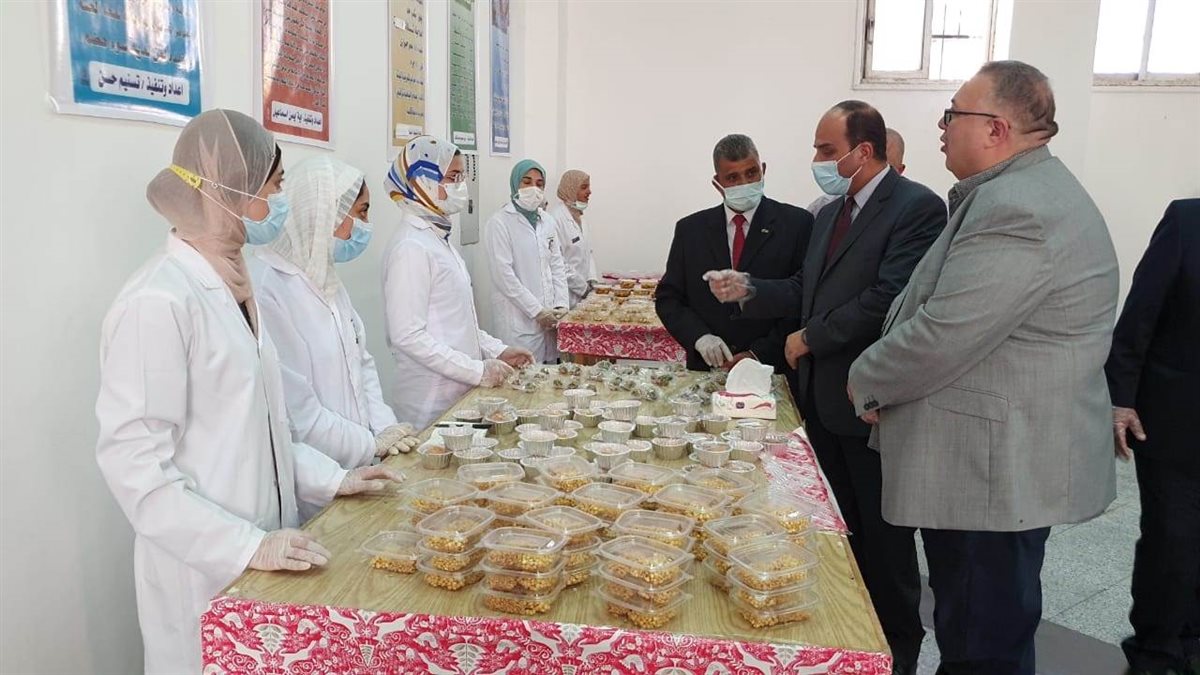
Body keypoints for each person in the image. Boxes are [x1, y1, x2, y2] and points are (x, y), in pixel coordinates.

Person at [94, 110, 404, 674]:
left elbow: (265, 431)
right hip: (201, 573)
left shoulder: (234, 283)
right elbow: (136, 470)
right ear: (231, 191)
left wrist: (334, 477)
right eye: (275, 186)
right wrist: (245, 545)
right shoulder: (158, 301)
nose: (281, 202)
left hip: (263, 555)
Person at [845, 61, 1119, 675]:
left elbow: (945, 332)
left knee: (981, 642)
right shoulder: (1016, 192)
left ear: (996, 129)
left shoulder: (1018, 208)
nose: (942, 127)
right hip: (992, 462)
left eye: (953, 115)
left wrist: (865, 379)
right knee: (978, 630)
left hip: (990, 474)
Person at [707, 101, 945, 675]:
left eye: (825, 149)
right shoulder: (832, 212)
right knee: (839, 541)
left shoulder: (916, 208)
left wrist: (810, 337)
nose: (816, 159)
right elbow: (806, 287)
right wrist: (750, 288)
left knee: (885, 548)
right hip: (821, 404)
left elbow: (887, 298)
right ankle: (847, 644)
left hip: (869, 404)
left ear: (862, 151)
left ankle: (897, 652)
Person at [252, 156, 420, 519]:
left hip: (362, 465)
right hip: (318, 480)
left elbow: (362, 362)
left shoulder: (324, 275)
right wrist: (369, 443)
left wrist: (385, 427)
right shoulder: (269, 289)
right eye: (361, 212)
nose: (365, 226)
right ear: (328, 213)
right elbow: (298, 413)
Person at [1106, 198, 1200, 675]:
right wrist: (1120, 399)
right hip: (1176, 421)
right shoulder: (1187, 221)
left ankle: (1192, 639)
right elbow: (1140, 314)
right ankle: (1155, 650)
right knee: (1172, 539)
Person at [383, 136, 533, 429]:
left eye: (462, 176)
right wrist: (477, 370)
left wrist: (497, 350)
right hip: (430, 400)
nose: (460, 185)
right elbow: (408, 335)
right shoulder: (411, 247)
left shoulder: (438, 238)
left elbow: (458, 321)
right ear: (422, 182)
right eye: (452, 177)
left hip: (459, 391)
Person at [656, 133, 812, 371]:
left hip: (770, 367)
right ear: (717, 183)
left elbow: (802, 297)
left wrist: (758, 353)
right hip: (708, 369)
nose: (744, 184)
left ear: (763, 170)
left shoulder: (797, 224)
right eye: (732, 178)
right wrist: (699, 337)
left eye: (751, 173)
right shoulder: (690, 230)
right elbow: (669, 299)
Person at [483, 159, 569, 362]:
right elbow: (504, 276)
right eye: (527, 182)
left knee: (550, 372)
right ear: (515, 184)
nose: (533, 188)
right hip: (518, 321)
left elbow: (557, 265)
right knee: (523, 375)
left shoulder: (547, 221)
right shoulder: (499, 222)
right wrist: (537, 311)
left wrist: (561, 305)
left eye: (539, 184)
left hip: (550, 319)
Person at [807, 126, 907, 215]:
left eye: (884, 169)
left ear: (899, 171)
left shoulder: (909, 209)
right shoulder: (822, 208)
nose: (873, 174)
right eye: (867, 164)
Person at [548, 169, 598, 308]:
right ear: (571, 189)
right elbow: (558, 262)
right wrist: (582, 288)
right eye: (584, 187)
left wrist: (592, 280)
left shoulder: (580, 217)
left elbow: (588, 252)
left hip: (584, 293)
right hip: (566, 295)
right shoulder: (555, 219)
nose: (589, 192)